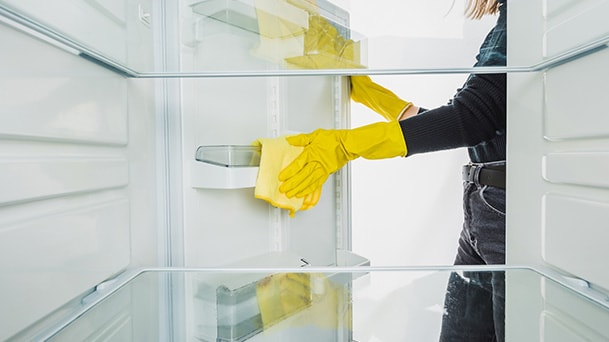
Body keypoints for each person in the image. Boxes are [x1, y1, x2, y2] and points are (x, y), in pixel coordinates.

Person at [276, 0, 507, 340]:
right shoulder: (514, 17)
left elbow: (473, 116)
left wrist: (348, 144)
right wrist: (380, 99)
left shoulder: (531, 15)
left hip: (507, 218)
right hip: (484, 214)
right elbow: (491, 127)